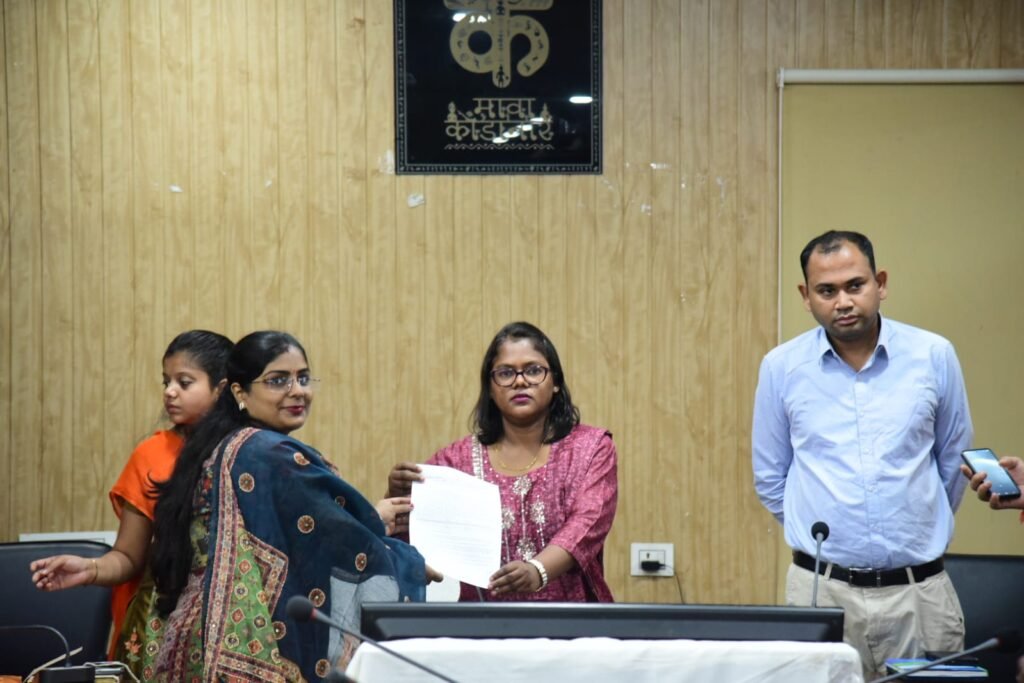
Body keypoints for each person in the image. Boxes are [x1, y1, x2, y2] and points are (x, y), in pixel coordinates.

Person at [140, 331, 431, 681]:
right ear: (239, 392)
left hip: (198, 639)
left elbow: (313, 529)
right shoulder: (266, 453)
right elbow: (337, 542)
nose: (297, 391)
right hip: (246, 647)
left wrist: (374, 522)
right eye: (278, 380)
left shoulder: (224, 445)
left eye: (303, 378)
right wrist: (407, 559)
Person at [752, 230, 973, 678]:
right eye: (826, 291)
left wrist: (913, 527)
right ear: (806, 296)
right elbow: (771, 477)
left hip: (919, 593)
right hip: (821, 593)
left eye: (855, 285)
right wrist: (828, 539)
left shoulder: (933, 355)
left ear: (880, 283)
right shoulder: (782, 367)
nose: (843, 302)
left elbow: (953, 461)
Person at [30, 329, 233, 659]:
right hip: (161, 629)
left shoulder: (247, 452)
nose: (169, 392)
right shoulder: (151, 454)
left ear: (221, 389)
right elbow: (128, 556)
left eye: (184, 383)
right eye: (166, 381)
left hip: (232, 626)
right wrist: (90, 569)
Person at [387, 321, 617, 601]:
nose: (520, 381)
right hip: (483, 621)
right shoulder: (456, 460)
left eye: (533, 370)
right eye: (505, 373)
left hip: (572, 619)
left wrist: (538, 570)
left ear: (555, 382)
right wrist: (396, 494)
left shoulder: (591, 448)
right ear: (491, 388)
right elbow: (408, 535)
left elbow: (588, 522)